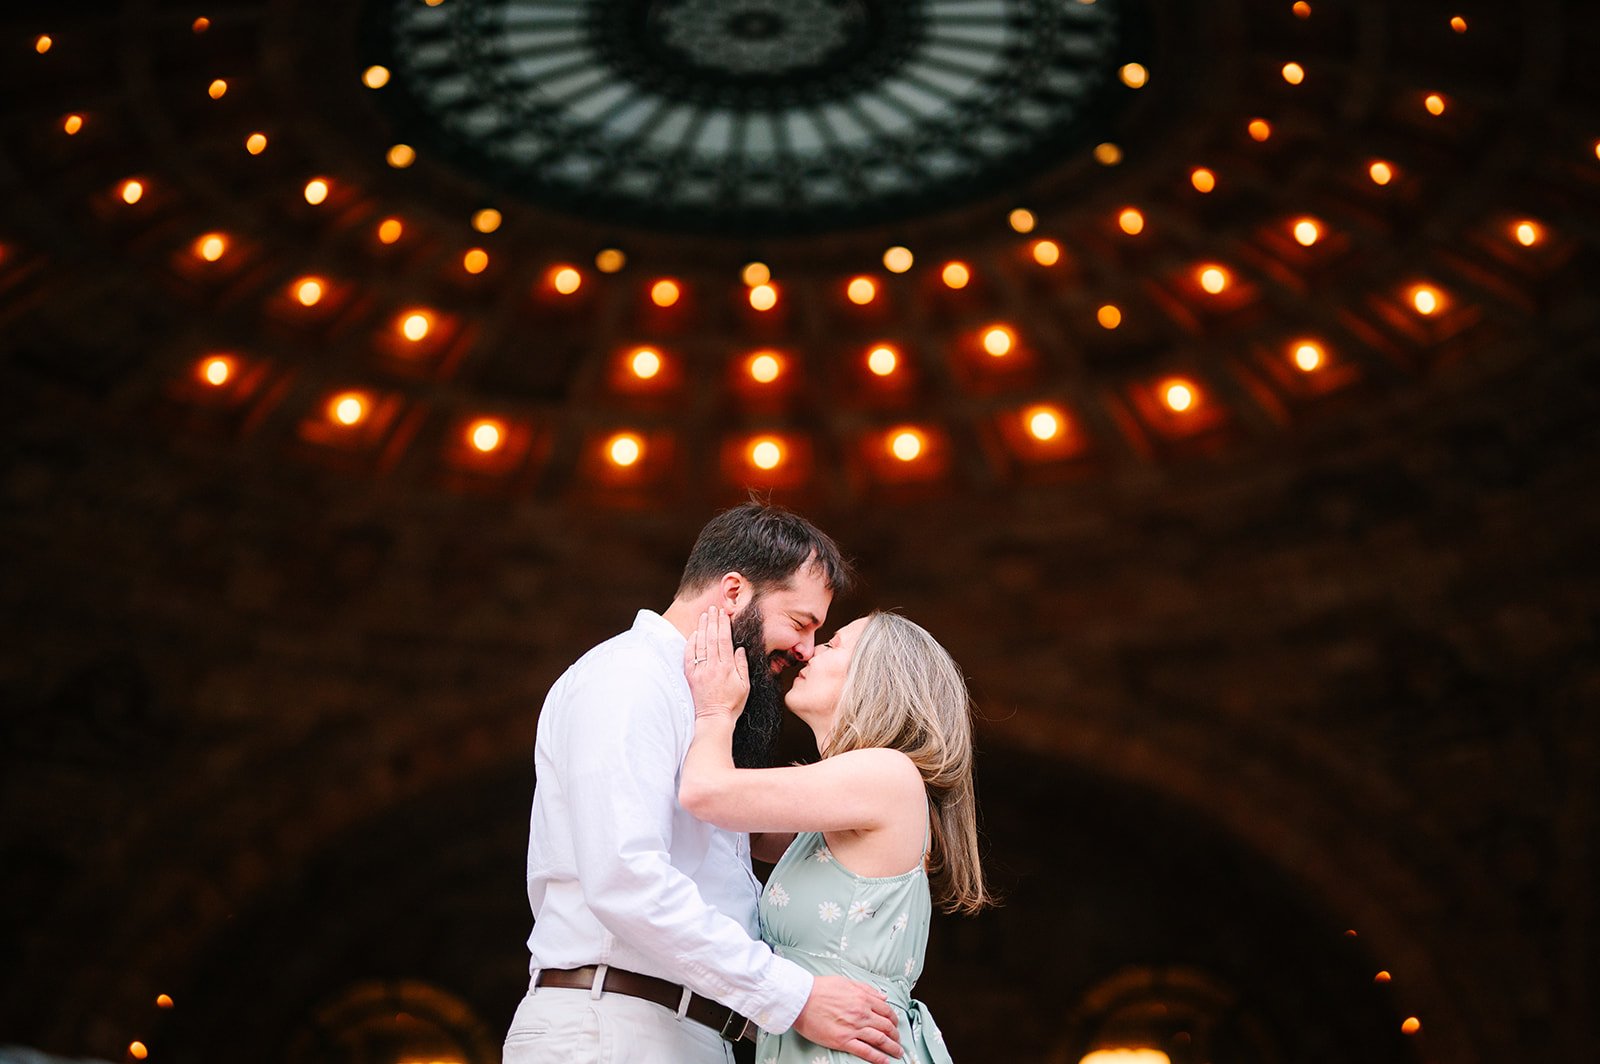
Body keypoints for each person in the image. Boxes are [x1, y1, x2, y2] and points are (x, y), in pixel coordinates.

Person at [504, 502, 904, 1064]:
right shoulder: (628, 679)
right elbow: (625, 877)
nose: (807, 650)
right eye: (800, 623)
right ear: (735, 592)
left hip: (676, 1030)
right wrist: (793, 996)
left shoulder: (707, 701)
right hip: (613, 1027)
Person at [681, 606, 992, 1064]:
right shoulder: (839, 802)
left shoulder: (886, 775)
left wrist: (713, 709)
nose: (809, 654)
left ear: (873, 679)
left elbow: (707, 794)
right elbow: (734, 831)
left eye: (831, 645)